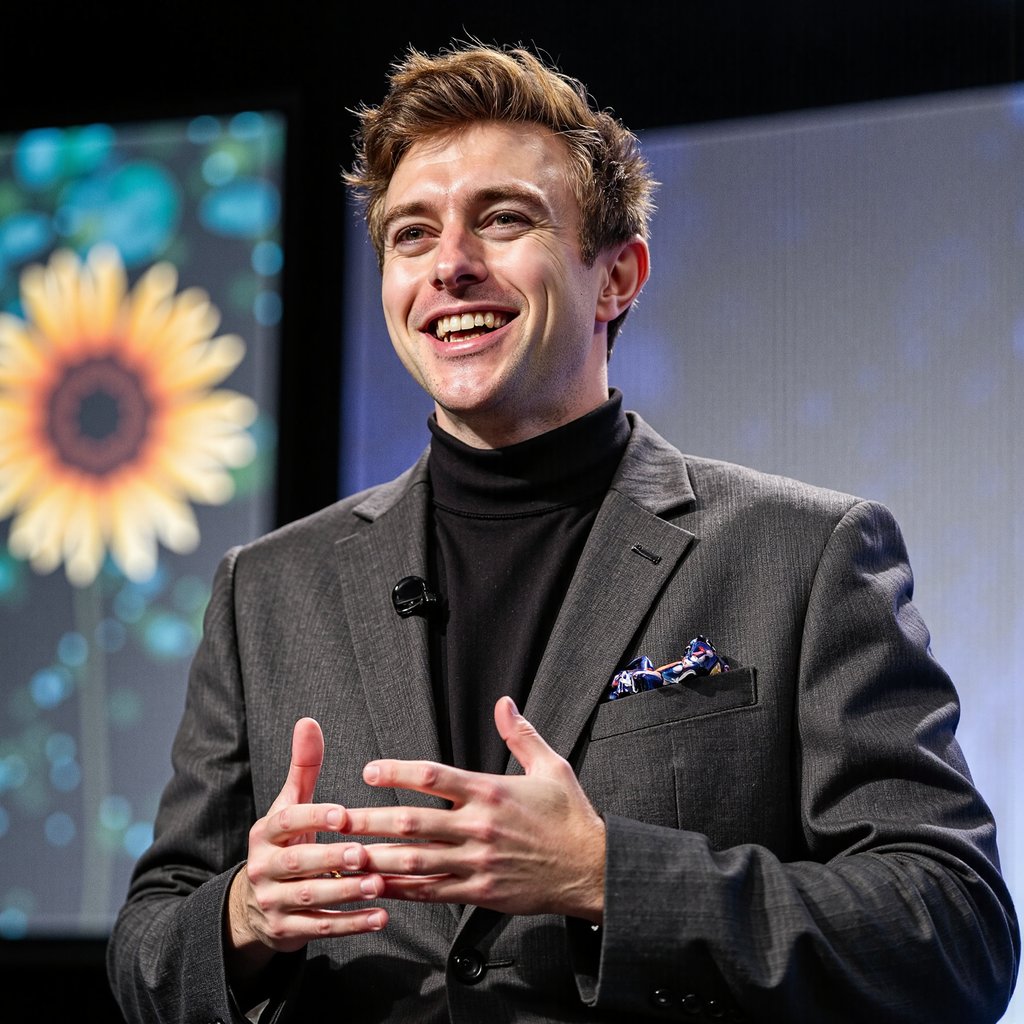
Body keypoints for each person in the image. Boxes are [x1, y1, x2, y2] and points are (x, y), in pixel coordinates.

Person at [106, 41, 1020, 1023]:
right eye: (411, 235)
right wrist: (246, 911)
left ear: (617, 276)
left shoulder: (804, 554)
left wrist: (607, 876)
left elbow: (952, 927)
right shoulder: (266, 589)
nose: (450, 265)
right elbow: (149, 945)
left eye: (503, 220)